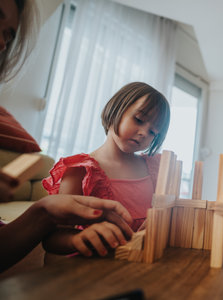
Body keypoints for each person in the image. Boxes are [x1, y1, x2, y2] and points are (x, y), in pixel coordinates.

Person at [0, 0, 133, 272]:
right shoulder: (80, 167)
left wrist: (45, 211)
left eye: (8, 35)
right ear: (114, 113)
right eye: (140, 120)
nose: (3, 45)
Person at [42, 82, 170, 257]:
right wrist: (78, 239)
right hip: (93, 267)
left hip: (142, 263)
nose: (143, 133)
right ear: (116, 109)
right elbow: (52, 240)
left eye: (153, 132)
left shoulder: (156, 168)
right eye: (138, 120)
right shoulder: (80, 171)